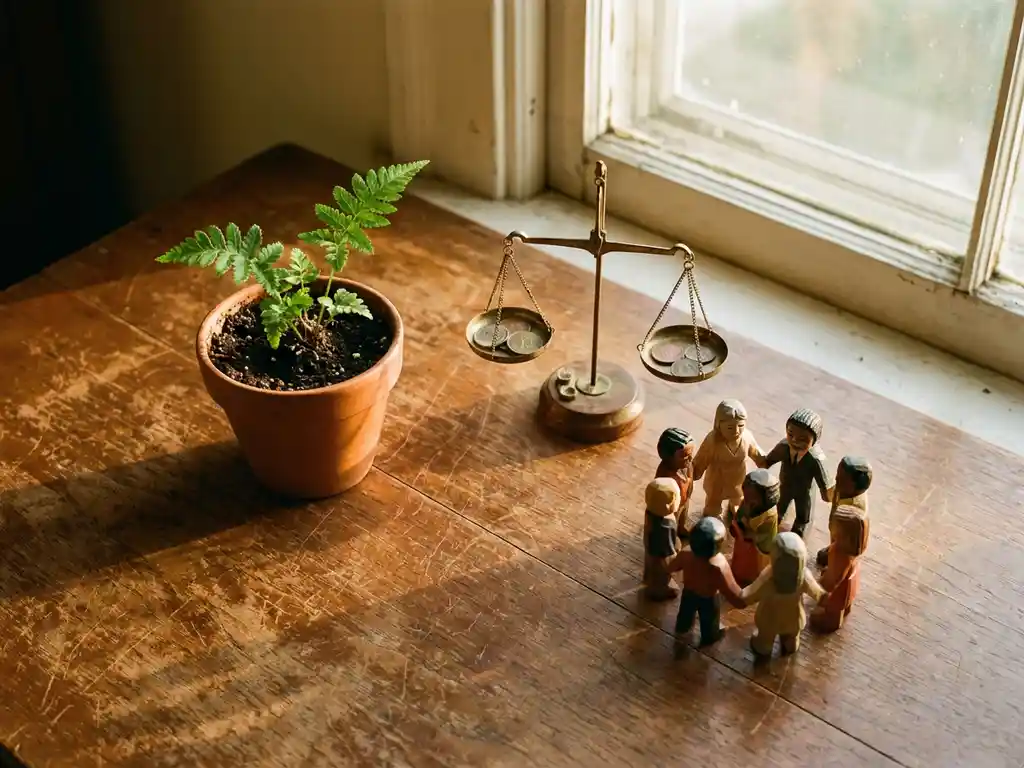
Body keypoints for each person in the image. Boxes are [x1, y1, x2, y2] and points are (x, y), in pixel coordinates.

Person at [740, 532, 827, 657]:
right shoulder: (804, 576)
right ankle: (791, 645)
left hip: (769, 619)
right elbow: (818, 593)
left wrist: (740, 596)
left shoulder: (769, 579)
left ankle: (763, 647)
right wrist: (824, 598)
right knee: (792, 635)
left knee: (765, 638)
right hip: (794, 619)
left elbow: (751, 593)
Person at [668, 517, 746, 646]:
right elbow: (731, 589)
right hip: (708, 598)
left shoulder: (686, 553)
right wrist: (743, 599)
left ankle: (682, 628)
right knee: (710, 620)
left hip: (689, 592)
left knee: (685, 613)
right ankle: (710, 635)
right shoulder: (719, 565)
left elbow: (671, 566)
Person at [761, 408, 832, 539]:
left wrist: (827, 494)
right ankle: (774, 523)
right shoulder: (784, 447)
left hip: (804, 491)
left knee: (803, 516)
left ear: (814, 441)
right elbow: (768, 460)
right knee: (780, 506)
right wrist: (763, 464)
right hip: (785, 485)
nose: (794, 440)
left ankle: (798, 536)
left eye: (803, 439)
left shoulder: (816, 459)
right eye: (790, 434)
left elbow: (825, 483)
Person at [693, 400, 766, 518]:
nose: (736, 431)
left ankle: (735, 505)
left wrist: (765, 461)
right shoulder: (713, 440)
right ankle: (712, 510)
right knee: (713, 502)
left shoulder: (746, 437)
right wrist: (695, 471)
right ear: (719, 424)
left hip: (738, 479)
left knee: (738, 496)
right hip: (717, 481)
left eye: (740, 426)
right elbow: (702, 458)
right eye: (730, 427)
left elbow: (756, 452)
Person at [811, 504, 869, 633]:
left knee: (818, 617)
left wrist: (816, 588)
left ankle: (831, 619)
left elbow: (832, 581)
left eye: (835, 525)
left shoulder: (840, 554)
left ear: (845, 534)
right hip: (849, 586)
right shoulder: (851, 551)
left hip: (839, 594)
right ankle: (845, 609)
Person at [816, 455, 872, 568]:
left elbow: (853, 538)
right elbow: (827, 495)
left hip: (845, 539)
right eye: (838, 475)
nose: (836, 479)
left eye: (842, 479)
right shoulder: (841, 489)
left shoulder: (854, 508)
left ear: (856, 487)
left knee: (840, 555)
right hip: (836, 529)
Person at [728, 469, 781, 586]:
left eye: (753, 496)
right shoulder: (746, 502)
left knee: (756, 566)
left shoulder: (770, 515)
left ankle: (752, 579)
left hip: (759, 547)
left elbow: (764, 535)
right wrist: (736, 523)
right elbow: (739, 514)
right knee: (740, 560)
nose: (748, 499)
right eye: (747, 494)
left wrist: (748, 535)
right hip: (744, 539)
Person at [642, 478, 682, 601]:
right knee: (661, 573)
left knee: (650, 564)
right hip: (661, 554)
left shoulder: (650, 512)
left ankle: (648, 578)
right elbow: (668, 550)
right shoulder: (666, 525)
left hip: (650, 546)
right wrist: (675, 557)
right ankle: (659, 590)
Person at [654, 427, 695, 538]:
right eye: (685, 456)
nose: (690, 458)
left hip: (684, 498)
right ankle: (671, 536)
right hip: (673, 505)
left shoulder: (686, 466)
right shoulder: (664, 475)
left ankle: (682, 527)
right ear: (669, 457)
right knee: (672, 521)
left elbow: (689, 478)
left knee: (683, 513)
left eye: (691, 453)